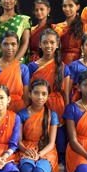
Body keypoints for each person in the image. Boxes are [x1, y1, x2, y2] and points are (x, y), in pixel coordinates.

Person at [17, 79, 59, 172]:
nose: (40, 97)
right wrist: (26, 150)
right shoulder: (22, 114)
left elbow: (51, 143)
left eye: (44, 94)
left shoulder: (52, 115)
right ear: (30, 94)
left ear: (48, 96)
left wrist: (39, 155)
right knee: (27, 169)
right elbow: (18, 140)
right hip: (27, 148)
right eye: (36, 93)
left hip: (46, 151)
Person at [28, 28, 70, 163]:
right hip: (39, 107)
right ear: (40, 44)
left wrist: (68, 115)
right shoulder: (32, 67)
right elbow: (29, 92)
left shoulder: (64, 67)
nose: (48, 46)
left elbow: (67, 95)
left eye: (52, 42)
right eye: (45, 42)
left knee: (60, 146)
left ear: (57, 44)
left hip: (59, 109)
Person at [0, 31, 29, 113]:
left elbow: (25, 98)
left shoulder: (23, 68)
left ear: (18, 46)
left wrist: (25, 118)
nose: (9, 47)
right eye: (5, 44)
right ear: (0, 46)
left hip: (18, 111)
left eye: (13, 44)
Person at [57, 0, 87, 65]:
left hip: (78, 60)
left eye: (70, 6)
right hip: (60, 61)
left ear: (78, 7)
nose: (67, 9)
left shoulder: (83, 26)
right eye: (64, 6)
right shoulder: (58, 27)